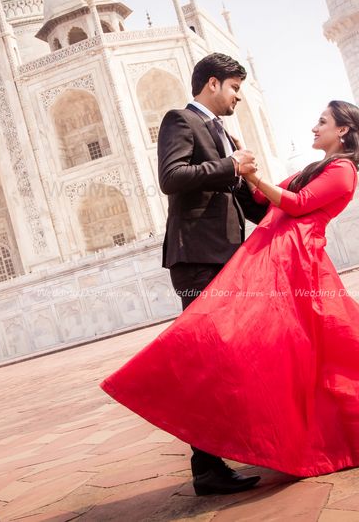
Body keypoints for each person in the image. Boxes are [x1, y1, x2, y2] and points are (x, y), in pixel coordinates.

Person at [102, 100, 359, 484]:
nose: (314, 127)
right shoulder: (316, 167)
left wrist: (250, 175)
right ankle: (246, 439)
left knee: (318, 347)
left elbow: (297, 203)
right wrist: (237, 166)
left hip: (296, 260)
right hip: (275, 252)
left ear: (343, 130)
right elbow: (262, 202)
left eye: (321, 121)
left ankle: (325, 431)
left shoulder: (343, 170)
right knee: (271, 343)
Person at [127, 52, 268, 495]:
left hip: (226, 255)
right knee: (210, 359)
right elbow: (172, 177)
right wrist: (231, 167)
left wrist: (288, 199)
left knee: (232, 356)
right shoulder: (180, 120)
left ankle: (228, 452)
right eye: (234, 89)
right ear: (212, 84)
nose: (238, 98)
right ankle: (207, 467)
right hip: (198, 259)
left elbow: (241, 201)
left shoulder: (223, 132)